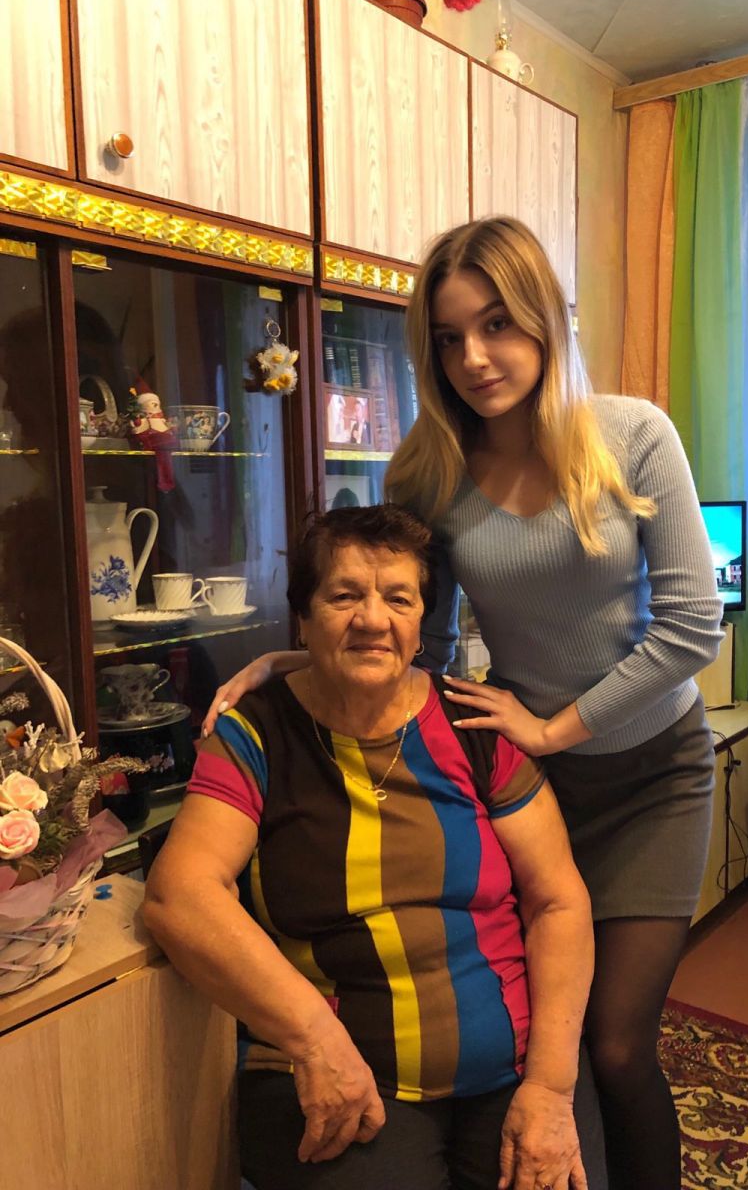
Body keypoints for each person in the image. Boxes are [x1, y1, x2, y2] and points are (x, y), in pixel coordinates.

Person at [203, 216, 724, 1190]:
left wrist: (555, 726)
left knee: (617, 1045)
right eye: (449, 338)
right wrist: (300, 658)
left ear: (544, 320)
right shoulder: (428, 471)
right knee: (556, 1036)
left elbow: (696, 628)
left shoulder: (633, 436)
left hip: (655, 775)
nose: (475, 358)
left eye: (497, 325)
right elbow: (422, 644)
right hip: (533, 787)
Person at [147, 504, 603, 1190]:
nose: (372, 619)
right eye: (344, 596)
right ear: (303, 618)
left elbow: (558, 900)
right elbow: (178, 896)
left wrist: (551, 1086)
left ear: (421, 624)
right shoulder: (255, 735)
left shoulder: (474, 727)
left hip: (514, 1072)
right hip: (341, 1077)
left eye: (398, 598)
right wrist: (316, 1041)